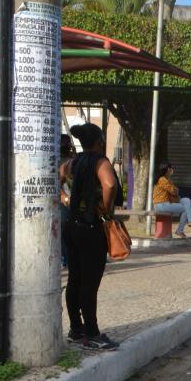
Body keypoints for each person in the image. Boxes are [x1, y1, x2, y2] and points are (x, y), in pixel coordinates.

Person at [65, 123, 120, 351]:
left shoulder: (73, 162)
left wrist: (66, 199)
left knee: (74, 279)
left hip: (72, 226)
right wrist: (105, 208)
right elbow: (109, 184)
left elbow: (57, 177)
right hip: (91, 227)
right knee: (90, 283)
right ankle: (92, 334)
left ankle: (76, 329)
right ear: (99, 141)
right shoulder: (101, 162)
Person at [153, 162, 191, 238]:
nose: (172, 170)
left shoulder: (167, 179)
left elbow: (175, 192)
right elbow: (174, 191)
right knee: (185, 209)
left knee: (187, 200)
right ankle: (180, 230)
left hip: (168, 202)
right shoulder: (162, 180)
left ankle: (190, 221)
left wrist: (175, 191)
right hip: (161, 205)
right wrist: (175, 190)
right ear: (168, 169)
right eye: (171, 168)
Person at [58, 134, 76, 267]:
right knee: (64, 231)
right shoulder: (60, 162)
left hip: (72, 202)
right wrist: (64, 196)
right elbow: (58, 183)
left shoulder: (73, 160)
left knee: (69, 232)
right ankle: (66, 258)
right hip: (65, 203)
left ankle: (69, 258)